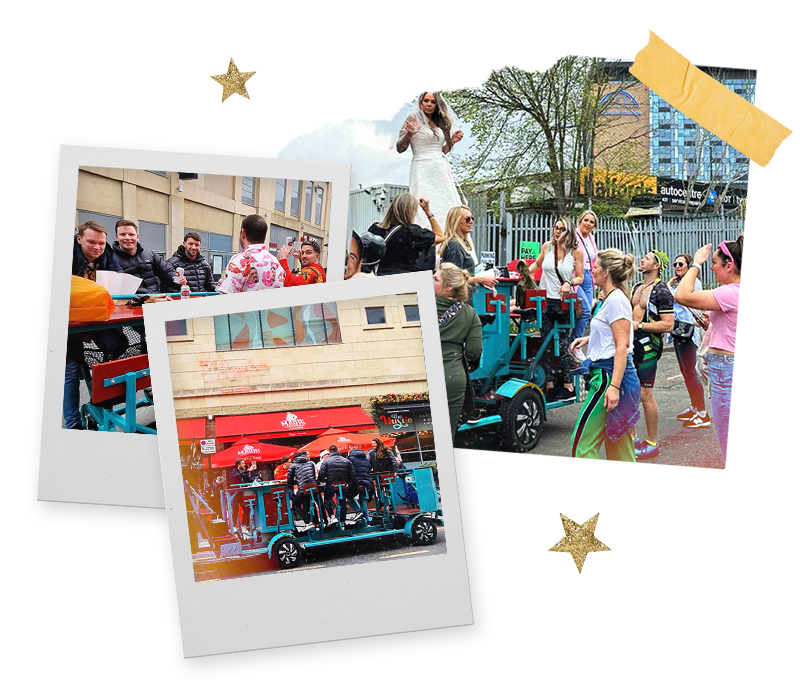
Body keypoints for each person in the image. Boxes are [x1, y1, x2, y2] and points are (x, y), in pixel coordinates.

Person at [675, 236, 757, 468]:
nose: (711, 267)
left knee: (730, 437)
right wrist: (713, 325)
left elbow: (682, 295)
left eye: (714, 263)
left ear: (729, 265)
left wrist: (696, 263)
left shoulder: (731, 292)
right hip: (742, 366)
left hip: (728, 368)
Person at [569, 249, 640, 471]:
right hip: (615, 374)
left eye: (596, 267)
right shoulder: (613, 298)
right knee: (618, 442)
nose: (592, 270)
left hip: (609, 376)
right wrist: (590, 338)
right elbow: (616, 335)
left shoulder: (616, 299)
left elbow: (622, 345)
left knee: (582, 443)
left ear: (606, 272)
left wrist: (613, 387)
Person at [65, 221, 125, 430]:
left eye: (101, 243)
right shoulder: (67, 257)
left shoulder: (108, 256)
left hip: (98, 319)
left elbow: (118, 282)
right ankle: (72, 423)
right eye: (91, 242)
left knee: (120, 343)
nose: (97, 247)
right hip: (71, 323)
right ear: (79, 238)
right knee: (71, 369)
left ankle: (102, 397)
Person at [530, 217, 584, 401]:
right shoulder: (547, 247)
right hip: (545, 300)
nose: (557, 232)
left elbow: (581, 277)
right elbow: (537, 265)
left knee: (561, 344)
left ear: (569, 232)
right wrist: (521, 272)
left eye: (562, 229)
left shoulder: (575, 252)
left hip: (563, 302)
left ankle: (568, 385)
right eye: (556, 228)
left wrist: (569, 282)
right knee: (544, 342)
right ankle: (550, 383)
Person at [396, 89, 464, 229]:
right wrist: (409, 134)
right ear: (420, 102)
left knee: (446, 202)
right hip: (421, 166)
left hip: (440, 167)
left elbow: (443, 151)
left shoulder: (441, 122)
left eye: (433, 102)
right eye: (426, 101)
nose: (429, 104)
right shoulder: (412, 119)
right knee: (422, 204)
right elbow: (400, 148)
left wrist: (452, 141)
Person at [631, 250, 674, 459]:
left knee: (645, 394)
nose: (642, 259)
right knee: (628, 392)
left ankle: (652, 442)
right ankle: (633, 439)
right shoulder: (637, 287)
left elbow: (668, 324)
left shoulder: (662, 291)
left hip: (648, 347)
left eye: (647, 258)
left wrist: (639, 325)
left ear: (656, 266)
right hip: (631, 344)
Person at [434, 263, 483, 438]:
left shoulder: (418, 303)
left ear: (448, 287)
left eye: (435, 279)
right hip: (452, 379)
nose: (431, 281)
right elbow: (473, 352)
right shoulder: (470, 314)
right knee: (446, 436)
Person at [667, 253, 710, 428]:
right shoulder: (680, 283)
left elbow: (676, 298)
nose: (677, 267)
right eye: (675, 264)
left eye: (681, 264)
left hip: (689, 332)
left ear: (689, 266)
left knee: (691, 373)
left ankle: (702, 413)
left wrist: (669, 286)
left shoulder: (694, 282)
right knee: (686, 373)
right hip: (678, 331)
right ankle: (694, 407)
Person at [368, 194, 443, 275]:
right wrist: (428, 211)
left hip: (378, 278)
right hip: (404, 281)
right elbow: (440, 236)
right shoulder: (413, 232)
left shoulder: (375, 229)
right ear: (411, 212)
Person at [438, 206, 499, 302]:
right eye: (467, 219)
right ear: (456, 221)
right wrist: (479, 279)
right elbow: (453, 280)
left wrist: (481, 281)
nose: (471, 221)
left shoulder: (458, 245)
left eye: (472, 218)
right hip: (457, 303)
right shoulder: (454, 246)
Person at [216, 214, 285, 293]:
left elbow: (226, 298)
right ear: (264, 236)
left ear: (243, 233)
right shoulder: (276, 263)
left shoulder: (240, 261)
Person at [111, 220, 173, 294]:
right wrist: (148, 297)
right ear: (116, 237)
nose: (127, 238)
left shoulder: (150, 254)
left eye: (131, 234)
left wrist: (177, 278)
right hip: (132, 303)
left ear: (137, 237)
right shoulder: (110, 260)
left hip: (156, 300)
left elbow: (166, 271)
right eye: (123, 234)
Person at [573, 210, 599, 340]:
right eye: (586, 220)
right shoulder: (572, 236)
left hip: (588, 276)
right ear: (580, 220)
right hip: (576, 275)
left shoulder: (591, 238)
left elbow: (595, 258)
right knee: (584, 310)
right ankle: (573, 343)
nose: (588, 224)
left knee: (586, 313)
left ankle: (573, 343)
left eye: (591, 222)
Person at [316, 444, 355, 526]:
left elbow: (321, 475)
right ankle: (343, 520)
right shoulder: (346, 460)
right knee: (342, 502)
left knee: (327, 500)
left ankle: (332, 516)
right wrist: (347, 481)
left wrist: (323, 480)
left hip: (331, 484)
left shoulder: (326, 461)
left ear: (329, 451)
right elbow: (352, 474)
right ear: (337, 450)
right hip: (343, 484)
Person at [285, 451, 317, 526]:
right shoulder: (310, 463)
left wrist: (297, 480)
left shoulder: (293, 465)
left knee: (296, 504)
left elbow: (289, 480)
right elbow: (313, 474)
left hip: (303, 488)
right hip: (314, 487)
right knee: (313, 501)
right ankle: (318, 522)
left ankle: (308, 522)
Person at [227, 458, 258, 535]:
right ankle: (233, 525)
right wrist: (248, 470)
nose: (244, 465)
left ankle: (243, 525)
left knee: (246, 509)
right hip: (234, 494)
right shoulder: (233, 471)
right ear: (238, 465)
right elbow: (234, 476)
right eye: (243, 463)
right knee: (235, 508)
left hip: (241, 494)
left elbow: (249, 479)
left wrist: (257, 479)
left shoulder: (244, 472)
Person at [347, 447, 373, 523]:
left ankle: (358, 511)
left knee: (348, 495)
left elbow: (349, 470)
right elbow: (369, 468)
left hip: (356, 481)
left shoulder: (350, 458)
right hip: (367, 482)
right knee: (363, 496)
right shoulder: (365, 458)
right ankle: (366, 518)